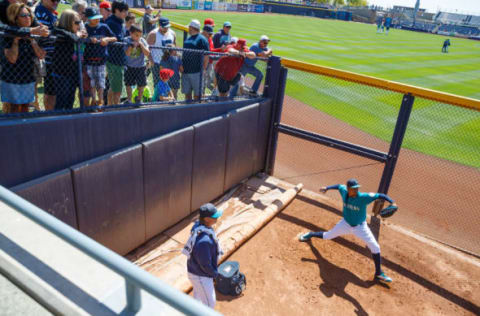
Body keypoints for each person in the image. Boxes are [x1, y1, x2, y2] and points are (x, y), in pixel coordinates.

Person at [299, 179, 397, 283]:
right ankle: (310, 234)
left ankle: (378, 273)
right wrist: (327, 188)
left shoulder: (363, 197)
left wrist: (393, 203)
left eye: (357, 188)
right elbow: (338, 186)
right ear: (348, 189)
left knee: (375, 247)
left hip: (360, 227)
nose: (356, 190)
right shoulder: (344, 191)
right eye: (354, 188)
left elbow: (380, 195)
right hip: (344, 224)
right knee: (328, 236)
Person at [1, 3, 45, 113]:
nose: (28, 18)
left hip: (28, 78)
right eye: (23, 16)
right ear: (15, 18)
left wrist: (32, 40)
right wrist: (16, 41)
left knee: (25, 108)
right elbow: (12, 59)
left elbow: (41, 55)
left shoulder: (33, 34)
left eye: (29, 15)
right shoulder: (7, 35)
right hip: (12, 79)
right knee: (13, 110)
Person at [183, 203, 223, 309]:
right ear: (206, 219)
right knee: (210, 304)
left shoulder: (199, 226)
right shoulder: (203, 241)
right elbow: (205, 264)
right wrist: (214, 274)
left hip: (195, 270)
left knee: (198, 296)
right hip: (201, 275)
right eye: (214, 217)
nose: (217, 218)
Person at [51, 9, 85, 110]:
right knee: (62, 100)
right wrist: (77, 35)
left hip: (73, 73)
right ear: (68, 22)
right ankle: (57, 123)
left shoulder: (73, 33)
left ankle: (68, 121)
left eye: (80, 22)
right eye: (77, 22)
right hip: (61, 74)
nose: (79, 25)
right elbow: (70, 37)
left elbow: (76, 37)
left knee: (70, 100)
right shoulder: (59, 31)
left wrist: (79, 34)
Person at [84, 6, 116, 107]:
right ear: (88, 18)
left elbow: (115, 38)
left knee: (101, 81)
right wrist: (88, 39)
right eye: (94, 18)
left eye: (98, 17)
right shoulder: (85, 27)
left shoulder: (103, 26)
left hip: (101, 60)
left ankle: (101, 100)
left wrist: (107, 39)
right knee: (92, 82)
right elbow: (80, 37)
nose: (97, 19)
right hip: (89, 60)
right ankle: (93, 100)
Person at [35, 0, 58, 110]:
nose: (56, 2)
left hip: (53, 58)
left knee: (52, 90)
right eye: (53, 0)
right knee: (50, 91)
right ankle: (49, 114)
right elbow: (39, 35)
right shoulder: (41, 12)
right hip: (46, 58)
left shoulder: (49, 12)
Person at [105, 0, 128, 105]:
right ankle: (115, 108)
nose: (126, 13)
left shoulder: (119, 22)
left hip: (117, 59)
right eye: (124, 11)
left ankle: (110, 106)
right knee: (117, 88)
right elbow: (117, 39)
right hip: (114, 59)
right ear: (117, 10)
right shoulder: (112, 22)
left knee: (113, 86)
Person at [182, 19, 209, 101]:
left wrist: (203, 68)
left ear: (192, 27)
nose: (188, 29)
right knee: (187, 95)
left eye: (189, 27)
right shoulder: (188, 38)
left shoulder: (202, 39)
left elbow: (206, 56)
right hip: (186, 71)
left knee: (197, 96)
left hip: (197, 72)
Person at [146, 16, 176, 87]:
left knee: (169, 83)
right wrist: (151, 61)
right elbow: (147, 49)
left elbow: (174, 47)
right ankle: (157, 98)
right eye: (164, 27)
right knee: (157, 84)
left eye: (167, 27)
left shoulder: (172, 33)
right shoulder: (153, 34)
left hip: (168, 62)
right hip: (157, 62)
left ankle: (166, 98)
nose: (166, 28)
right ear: (159, 26)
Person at [124, 24, 149, 104]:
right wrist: (131, 46)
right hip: (129, 66)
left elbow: (147, 53)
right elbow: (127, 54)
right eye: (136, 35)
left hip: (140, 66)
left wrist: (141, 45)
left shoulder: (142, 41)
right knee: (128, 84)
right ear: (131, 33)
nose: (138, 37)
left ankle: (139, 99)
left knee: (141, 84)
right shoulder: (126, 40)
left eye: (140, 35)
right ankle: (129, 99)